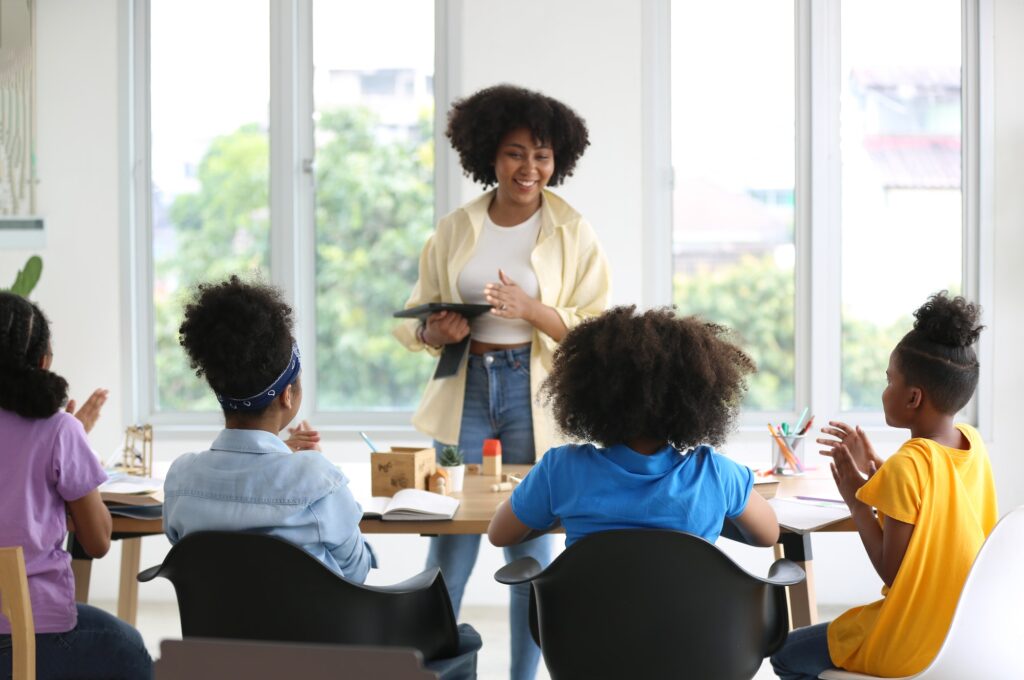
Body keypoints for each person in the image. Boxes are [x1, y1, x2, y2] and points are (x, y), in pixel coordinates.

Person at [394, 84, 610, 680]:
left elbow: (597, 327)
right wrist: (436, 332)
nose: (530, 168)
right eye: (516, 153)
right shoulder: (455, 228)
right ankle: (436, 671)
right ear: (490, 154)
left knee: (530, 553)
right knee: (448, 546)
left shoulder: (572, 230)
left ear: (557, 160)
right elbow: (413, 320)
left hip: (530, 393)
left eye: (542, 155)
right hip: (465, 386)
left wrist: (531, 309)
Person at [770, 292, 997, 680]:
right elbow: (939, 506)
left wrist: (856, 501)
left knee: (785, 654)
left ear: (913, 398)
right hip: (964, 634)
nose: (884, 389)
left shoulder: (909, 464)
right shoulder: (970, 444)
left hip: (911, 639)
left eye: (889, 379)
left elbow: (892, 573)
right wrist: (878, 471)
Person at [487, 305, 779, 554]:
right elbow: (768, 535)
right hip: (689, 622)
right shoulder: (716, 474)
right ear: (696, 399)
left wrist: (561, 512)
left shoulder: (560, 471)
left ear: (588, 393)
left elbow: (500, 535)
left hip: (590, 622)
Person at [163, 276, 376, 581]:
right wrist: (306, 465)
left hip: (214, 631)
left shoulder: (180, 479)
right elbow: (357, 571)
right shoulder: (317, 480)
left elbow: (195, 557)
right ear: (287, 394)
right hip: (310, 630)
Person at [0, 292, 153, 680]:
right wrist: (72, 445)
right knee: (131, 648)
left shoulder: (61, 431)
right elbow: (98, 541)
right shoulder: (59, 430)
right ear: (43, 362)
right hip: (34, 632)